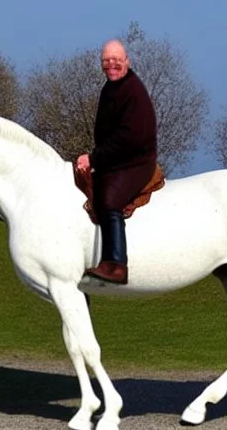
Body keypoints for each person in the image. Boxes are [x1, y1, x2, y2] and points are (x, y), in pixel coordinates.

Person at [76, 39, 157, 284]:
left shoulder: (133, 91)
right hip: (117, 159)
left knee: (111, 200)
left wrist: (93, 158)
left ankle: (117, 264)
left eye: (117, 61)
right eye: (106, 61)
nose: (111, 65)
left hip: (137, 161)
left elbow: (128, 137)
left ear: (127, 62)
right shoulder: (111, 87)